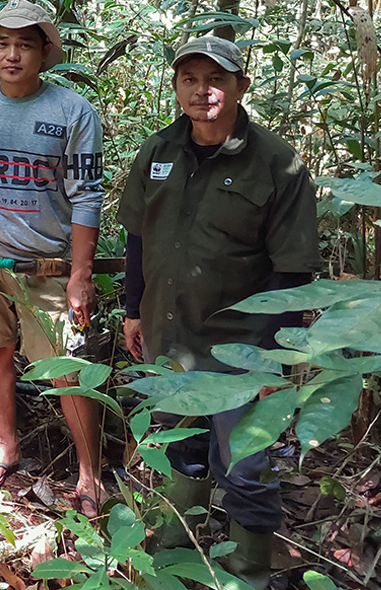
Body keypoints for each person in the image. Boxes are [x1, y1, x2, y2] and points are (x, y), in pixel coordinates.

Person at [118, 36, 318, 589]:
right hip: (169, 336)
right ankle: (171, 565)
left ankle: (247, 573)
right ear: (177, 86)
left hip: (241, 348)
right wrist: (134, 310)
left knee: (247, 467)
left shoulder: (278, 163)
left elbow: (293, 270)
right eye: (189, 78)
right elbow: (137, 236)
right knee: (175, 451)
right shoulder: (158, 151)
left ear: (240, 87)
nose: (201, 90)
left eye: (216, 80)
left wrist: (271, 359)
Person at [0, 0, 106, 516]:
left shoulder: (73, 112)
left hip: (46, 262)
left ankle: (90, 474)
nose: (12, 54)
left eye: (24, 44)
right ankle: (7, 446)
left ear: (44, 52)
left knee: (67, 368)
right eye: (2, 44)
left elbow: (87, 193)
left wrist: (80, 274)